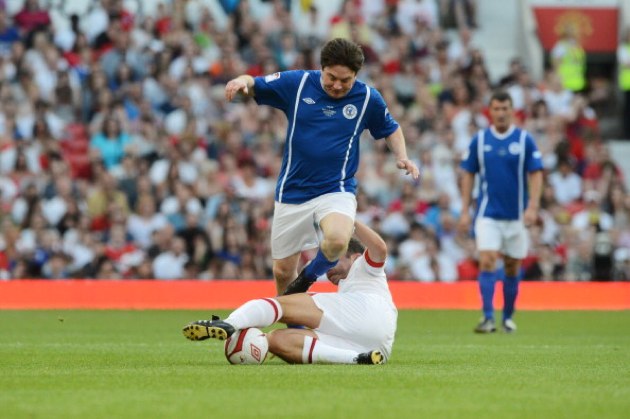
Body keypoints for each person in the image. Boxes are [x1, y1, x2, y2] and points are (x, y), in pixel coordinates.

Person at [224, 38, 419, 295]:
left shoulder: (367, 98)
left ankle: (309, 276)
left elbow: (391, 128)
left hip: (335, 189)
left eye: (345, 80)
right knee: (282, 273)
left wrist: (402, 156)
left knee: (338, 240)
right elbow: (255, 83)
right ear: (322, 68)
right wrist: (240, 82)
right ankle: (295, 330)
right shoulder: (299, 83)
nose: (338, 85)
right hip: (292, 192)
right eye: (332, 77)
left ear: (356, 76)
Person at [182, 220, 396, 365]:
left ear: (355, 256)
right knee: (276, 341)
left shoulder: (365, 268)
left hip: (368, 310)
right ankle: (358, 359)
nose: (328, 269)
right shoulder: (348, 287)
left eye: (334, 259)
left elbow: (380, 248)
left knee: (281, 304)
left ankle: (230, 323)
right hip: (378, 346)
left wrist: (347, 221)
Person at [457, 91, 543, 333]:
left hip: (516, 216)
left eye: (505, 108)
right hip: (488, 215)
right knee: (486, 261)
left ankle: (507, 316)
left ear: (512, 110)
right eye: (497, 109)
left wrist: (533, 206)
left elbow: (536, 173)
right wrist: (465, 211)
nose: (501, 113)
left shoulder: (524, 140)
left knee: (513, 266)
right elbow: (468, 174)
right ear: (490, 112)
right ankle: (487, 317)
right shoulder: (480, 141)